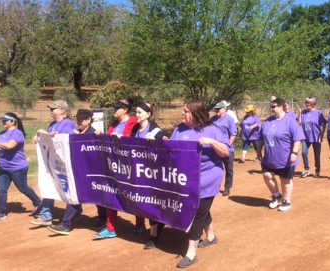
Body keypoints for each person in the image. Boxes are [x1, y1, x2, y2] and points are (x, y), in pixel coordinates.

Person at [171, 100, 229, 268]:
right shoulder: (179, 129)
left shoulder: (212, 130)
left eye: (186, 111)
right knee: (202, 209)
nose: (182, 114)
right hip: (185, 178)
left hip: (208, 178)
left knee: (197, 213)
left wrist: (212, 142)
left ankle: (191, 253)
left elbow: (225, 152)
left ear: (196, 114)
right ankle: (211, 236)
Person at [46, 109, 101, 235]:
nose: (79, 122)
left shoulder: (94, 133)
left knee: (98, 196)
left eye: (82, 120)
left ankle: (102, 219)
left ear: (88, 120)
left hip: (92, 171)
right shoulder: (77, 132)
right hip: (79, 171)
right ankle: (66, 223)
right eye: (78, 120)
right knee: (75, 195)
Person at [94, 99, 139, 240]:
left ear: (125, 109)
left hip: (128, 165)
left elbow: (136, 140)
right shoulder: (114, 125)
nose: (114, 109)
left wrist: (124, 138)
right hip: (113, 165)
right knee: (110, 193)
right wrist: (102, 135)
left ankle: (140, 224)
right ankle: (110, 228)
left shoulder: (133, 123)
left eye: (117, 107)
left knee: (134, 195)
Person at [129, 102, 169, 249]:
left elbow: (166, 150)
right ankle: (157, 226)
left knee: (152, 202)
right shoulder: (135, 129)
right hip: (139, 172)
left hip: (154, 174)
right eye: (136, 112)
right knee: (144, 202)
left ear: (148, 114)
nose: (137, 115)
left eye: (139, 112)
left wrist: (157, 144)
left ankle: (153, 236)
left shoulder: (157, 131)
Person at [31, 100, 77, 226]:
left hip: (65, 165)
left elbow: (63, 141)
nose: (51, 111)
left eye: (53, 109)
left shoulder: (68, 124)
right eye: (50, 109)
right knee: (48, 184)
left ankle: (74, 210)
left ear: (63, 110)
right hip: (53, 163)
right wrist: (39, 138)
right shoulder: (52, 124)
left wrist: (45, 134)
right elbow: (47, 138)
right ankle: (46, 215)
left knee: (69, 188)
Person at [0, 113, 41, 223]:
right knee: (2, 190)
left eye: (5, 120)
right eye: (2, 120)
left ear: (12, 122)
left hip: (17, 168)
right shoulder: (1, 133)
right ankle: (0, 213)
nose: (3, 122)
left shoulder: (18, 134)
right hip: (2, 167)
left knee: (23, 188)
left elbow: (9, 146)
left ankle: (38, 203)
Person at [257, 98, 304, 211]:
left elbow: (298, 139)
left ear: (282, 106)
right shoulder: (267, 121)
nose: (272, 108)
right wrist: (259, 151)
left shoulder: (290, 121)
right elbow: (261, 138)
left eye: (274, 106)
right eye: (271, 106)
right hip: (269, 158)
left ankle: (286, 200)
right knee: (267, 175)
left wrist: (294, 152)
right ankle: (276, 196)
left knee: (285, 179)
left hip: (286, 158)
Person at [211, 101, 237, 197]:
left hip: (227, 149)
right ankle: (214, 187)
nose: (216, 111)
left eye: (218, 109)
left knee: (229, 169)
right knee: (215, 169)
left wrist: (228, 145)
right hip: (215, 148)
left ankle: (227, 188)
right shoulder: (213, 119)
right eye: (216, 109)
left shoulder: (229, 119)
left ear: (224, 109)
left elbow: (233, 134)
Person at [299, 97, 326, 177]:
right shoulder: (303, 112)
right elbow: (299, 123)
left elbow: (324, 124)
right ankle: (307, 169)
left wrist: (321, 136)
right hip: (305, 137)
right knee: (304, 152)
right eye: (306, 102)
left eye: (308, 103)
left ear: (313, 104)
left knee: (316, 155)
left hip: (316, 137)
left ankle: (317, 170)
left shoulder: (318, 113)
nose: (306, 104)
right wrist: (300, 113)